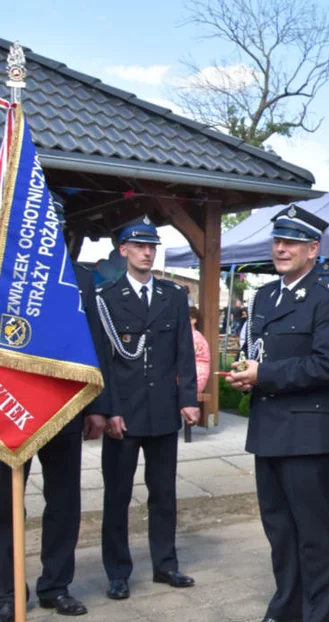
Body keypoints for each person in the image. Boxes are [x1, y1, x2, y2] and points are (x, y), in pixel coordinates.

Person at [228, 204, 329, 622]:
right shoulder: (265, 297)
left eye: (291, 242)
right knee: (278, 527)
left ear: (313, 250)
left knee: (313, 530)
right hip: (270, 427)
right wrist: (248, 373)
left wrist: (265, 375)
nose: (280, 248)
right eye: (278, 241)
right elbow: (259, 352)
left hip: (308, 431)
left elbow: (325, 365)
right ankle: (286, 608)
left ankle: (319, 617)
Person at [0, 196, 110, 622]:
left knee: (63, 501)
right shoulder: (5, 275)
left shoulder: (79, 280)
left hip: (63, 406)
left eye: (55, 227)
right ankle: (9, 592)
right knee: (6, 506)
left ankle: (56, 586)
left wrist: (98, 407)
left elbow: (96, 347)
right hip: (11, 408)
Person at [97, 217, 199, 601]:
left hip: (161, 411)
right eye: (138, 246)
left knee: (164, 493)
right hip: (123, 413)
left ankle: (165, 564)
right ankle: (118, 572)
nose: (146, 252)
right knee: (117, 495)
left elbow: (183, 353)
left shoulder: (173, 297)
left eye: (152, 246)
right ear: (123, 250)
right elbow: (105, 361)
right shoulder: (106, 298)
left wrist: (188, 398)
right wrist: (108, 410)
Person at [189, 307, 211, 394]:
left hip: (194, 379)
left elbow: (187, 357)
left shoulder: (195, 337)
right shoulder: (194, 336)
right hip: (193, 377)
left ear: (194, 320)